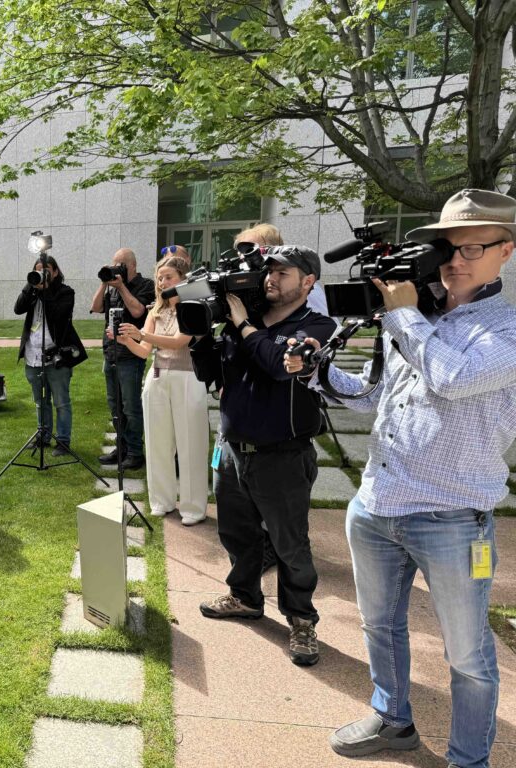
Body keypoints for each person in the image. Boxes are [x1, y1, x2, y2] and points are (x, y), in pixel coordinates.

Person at [285, 189, 516, 767]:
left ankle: (469, 759)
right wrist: (317, 370)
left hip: (452, 516)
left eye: (473, 248)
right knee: (380, 627)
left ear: (505, 252)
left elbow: (452, 378)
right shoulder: (414, 320)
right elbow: (369, 397)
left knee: (467, 655)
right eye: (447, 248)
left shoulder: (505, 329)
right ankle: (393, 720)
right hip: (376, 503)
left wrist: (401, 312)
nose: (456, 260)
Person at [189, 245, 337, 666]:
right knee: (237, 534)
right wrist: (203, 338)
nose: (272, 279)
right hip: (232, 448)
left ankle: (302, 620)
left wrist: (242, 324)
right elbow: (212, 376)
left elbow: (278, 364)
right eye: (269, 272)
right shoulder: (244, 324)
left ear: (308, 281)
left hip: (283, 455)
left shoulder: (318, 326)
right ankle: (244, 597)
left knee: (290, 544)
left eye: (284, 273)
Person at [113, 252, 210, 525]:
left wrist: (141, 333)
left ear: (182, 278)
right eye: (159, 278)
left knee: (190, 444)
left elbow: (179, 341)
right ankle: (162, 500)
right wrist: (126, 340)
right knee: (157, 444)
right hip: (156, 378)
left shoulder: (195, 308)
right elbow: (144, 352)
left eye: (168, 277)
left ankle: (193, 508)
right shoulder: (156, 310)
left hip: (189, 378)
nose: (162, 281)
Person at [14, 255, 88, 456]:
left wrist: (45, 290)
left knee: (61, 402)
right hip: (33, 356)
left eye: (45, 270)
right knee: (40, 401)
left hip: (57, 357)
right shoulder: (33, 293)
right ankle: (43, 435)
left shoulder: (65, 292)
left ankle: (63, 441)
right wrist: (30, 286)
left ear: (55, 272)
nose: (41, 273)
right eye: (38, 269)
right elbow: (18, 309)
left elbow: (58, 315)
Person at [90, 247, 156, 470]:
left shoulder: (146, 285)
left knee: (131, 406)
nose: (116, 269)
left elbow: (138, 312)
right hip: (110, 354)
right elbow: (95, 307)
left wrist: (122, 287)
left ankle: (136, 452)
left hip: (131, 355)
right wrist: (104, 283)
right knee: (114, 405)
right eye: (113, 265)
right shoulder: (113, 289)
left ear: (132, 266)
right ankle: (122, 447)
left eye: (120, 265)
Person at [235, 224, 329, 315]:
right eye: (241, 254)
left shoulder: (302, 286)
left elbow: (328, 328)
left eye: (251, 252)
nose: (244, 258)